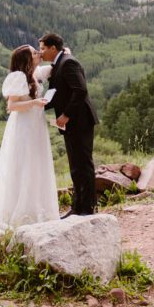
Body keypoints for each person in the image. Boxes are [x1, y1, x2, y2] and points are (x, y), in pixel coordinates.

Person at [0, 45, 59, 236]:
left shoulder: (33, 73)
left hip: (35, 125)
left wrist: (63, 54)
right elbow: (11, 105)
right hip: (23, 126)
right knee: (23, 164)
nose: (38, 54)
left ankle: (35, 207)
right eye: (34, 53)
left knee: (36, 164)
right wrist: (34, 103)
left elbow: (50, 68)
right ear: (26, 59)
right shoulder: (18, 77)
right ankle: (18, 211)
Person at [39, 32, 98, 217]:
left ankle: (88, 208)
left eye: (42, 48)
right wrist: (37, 107)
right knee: (75, 166)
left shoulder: (68, 62)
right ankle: (77, 207)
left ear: (52, 48)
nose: (41, 53)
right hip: (71, 123)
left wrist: (66, 114)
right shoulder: (59, 62)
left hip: (80, 121)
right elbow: (58, 93)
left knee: (84, 164)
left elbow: (80, 90)